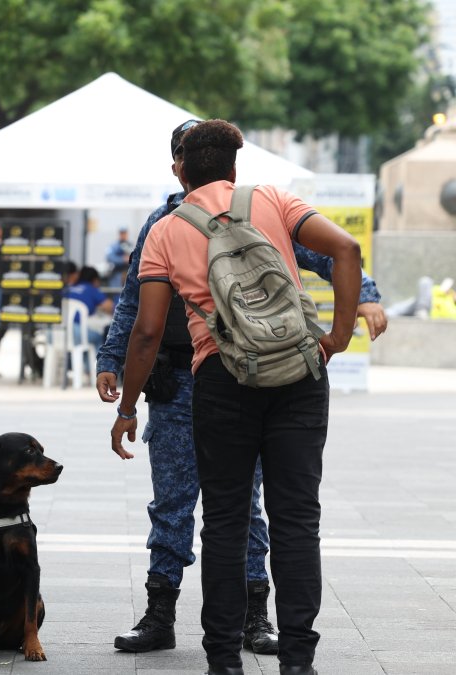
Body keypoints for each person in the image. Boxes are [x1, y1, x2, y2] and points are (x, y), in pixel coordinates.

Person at [97, 119, 387, 659]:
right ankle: (161, 612)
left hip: (224, 381)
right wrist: (110, 359)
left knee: (238, 512)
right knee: (176, 504)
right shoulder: (173, 220)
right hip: (185, 382)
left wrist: (364, 294)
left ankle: (251, 621)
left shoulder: (189, 222)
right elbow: (133, 304)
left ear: (184, 165)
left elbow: (324, 257)